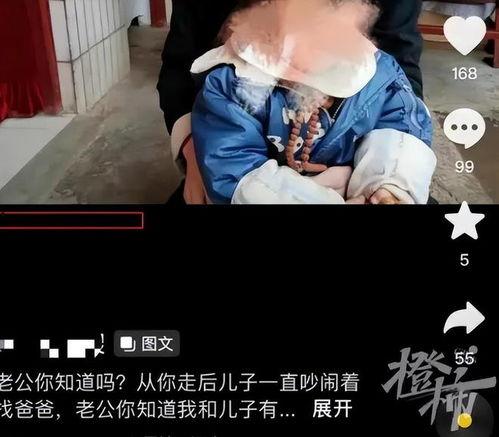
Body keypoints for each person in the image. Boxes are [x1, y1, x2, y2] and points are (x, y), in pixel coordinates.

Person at [158, 0, 424, 204]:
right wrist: (196, 150)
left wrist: (389, 184)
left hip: (360, 170)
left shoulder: (378, 72)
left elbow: (401, 117)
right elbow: (234, 170)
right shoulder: (233, 82)